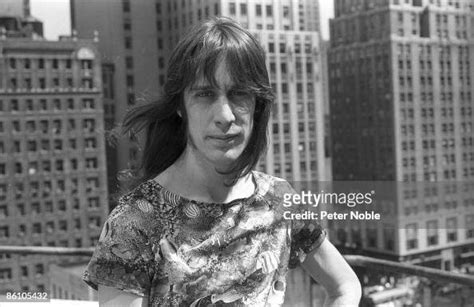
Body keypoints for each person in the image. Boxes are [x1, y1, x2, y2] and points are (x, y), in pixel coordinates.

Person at [83, 17, 361, 307]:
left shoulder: (278, 200)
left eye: (239, 93)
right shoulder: (136, 220)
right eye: (205, 94)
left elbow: (345, 286)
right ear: (180, 106)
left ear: (257, 105)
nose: (225, 116)